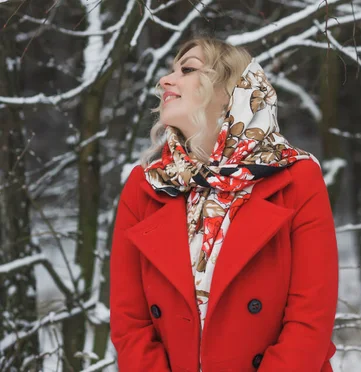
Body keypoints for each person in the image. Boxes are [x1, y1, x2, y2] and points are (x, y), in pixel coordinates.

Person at [109, 37, 339, 372]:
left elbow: (310, 322)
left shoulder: (297, 179)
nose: (165, 80)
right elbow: (130, 324)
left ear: (233, 90)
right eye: (171, 70)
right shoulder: (146, 186)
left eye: (187, 69)